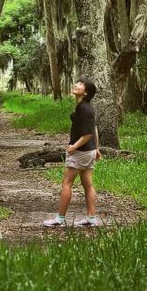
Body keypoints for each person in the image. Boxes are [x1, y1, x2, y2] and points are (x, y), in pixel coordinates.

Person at [43, 77, 102, 227]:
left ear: (86, 92)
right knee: (88, 184)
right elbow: (94, 128)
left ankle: (60, 219)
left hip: (81, 152)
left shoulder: (84, 108)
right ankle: (91, 218)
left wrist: (73, 147)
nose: (76, 85)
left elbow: (88, 133)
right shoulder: (85, 106)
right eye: (77, 82)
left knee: (66, 184)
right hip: (89, 151)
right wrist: (97, 148)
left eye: (81, 84)